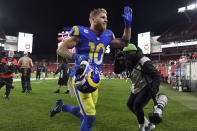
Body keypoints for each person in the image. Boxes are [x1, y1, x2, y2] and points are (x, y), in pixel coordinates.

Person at [50, 6, 132, 131]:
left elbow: (124, 43)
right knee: (90, 116)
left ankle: (62, 107)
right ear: (93, 19)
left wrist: (127, 25)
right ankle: (65, 108)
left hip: (94, 78)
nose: (106, 20)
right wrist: (76, 56)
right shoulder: (81, 32)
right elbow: (60, 49)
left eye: (106, 18)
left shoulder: (108, 35)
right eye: (103, 17)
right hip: (80, 76)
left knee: (85, 113)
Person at [114, 44, 167, 131]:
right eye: (125, 53)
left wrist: (154, 89)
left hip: (147, 85)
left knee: (137, 105)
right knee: (130, 104)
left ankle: (142, 127)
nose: (126, 56)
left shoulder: (144, 61)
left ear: (133, 52)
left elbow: (156, 75)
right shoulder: (129, 61)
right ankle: (147, 124)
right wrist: (116, 60)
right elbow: (117, 71)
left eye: (127, 53)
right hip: (137, 86)